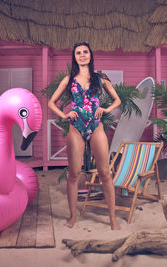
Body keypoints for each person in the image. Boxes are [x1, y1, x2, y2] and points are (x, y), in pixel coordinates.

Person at [48, 42, 121, 230]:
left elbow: (117, 100)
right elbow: (51, 102)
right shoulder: (68, 80)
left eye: (85, 52)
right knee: (74, 174)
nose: (82, 55)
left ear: (90, 55)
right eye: (78, 53)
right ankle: (73, 216)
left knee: (105, 172)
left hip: (96, 127)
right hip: (75, 128)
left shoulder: (100, 79)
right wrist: (64, 115)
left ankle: (113, 219)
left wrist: (105, 109)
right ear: (74, 57)